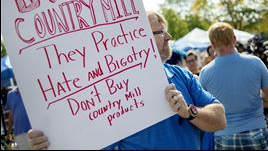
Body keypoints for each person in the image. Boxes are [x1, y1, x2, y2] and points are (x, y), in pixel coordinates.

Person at [28, 11, 226, 150]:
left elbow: (220, 118)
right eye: (160, 32)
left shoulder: (180, 74)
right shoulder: (115, 90)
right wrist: (51, 144)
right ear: (139, 37)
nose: (169, 36)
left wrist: (189, 112)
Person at [199, 22, 268, 150]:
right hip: (256, 132)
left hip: (224, 137)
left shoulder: (205, 72)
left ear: (212, 45)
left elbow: (205, 108)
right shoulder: (255, 62)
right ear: (234, 39)